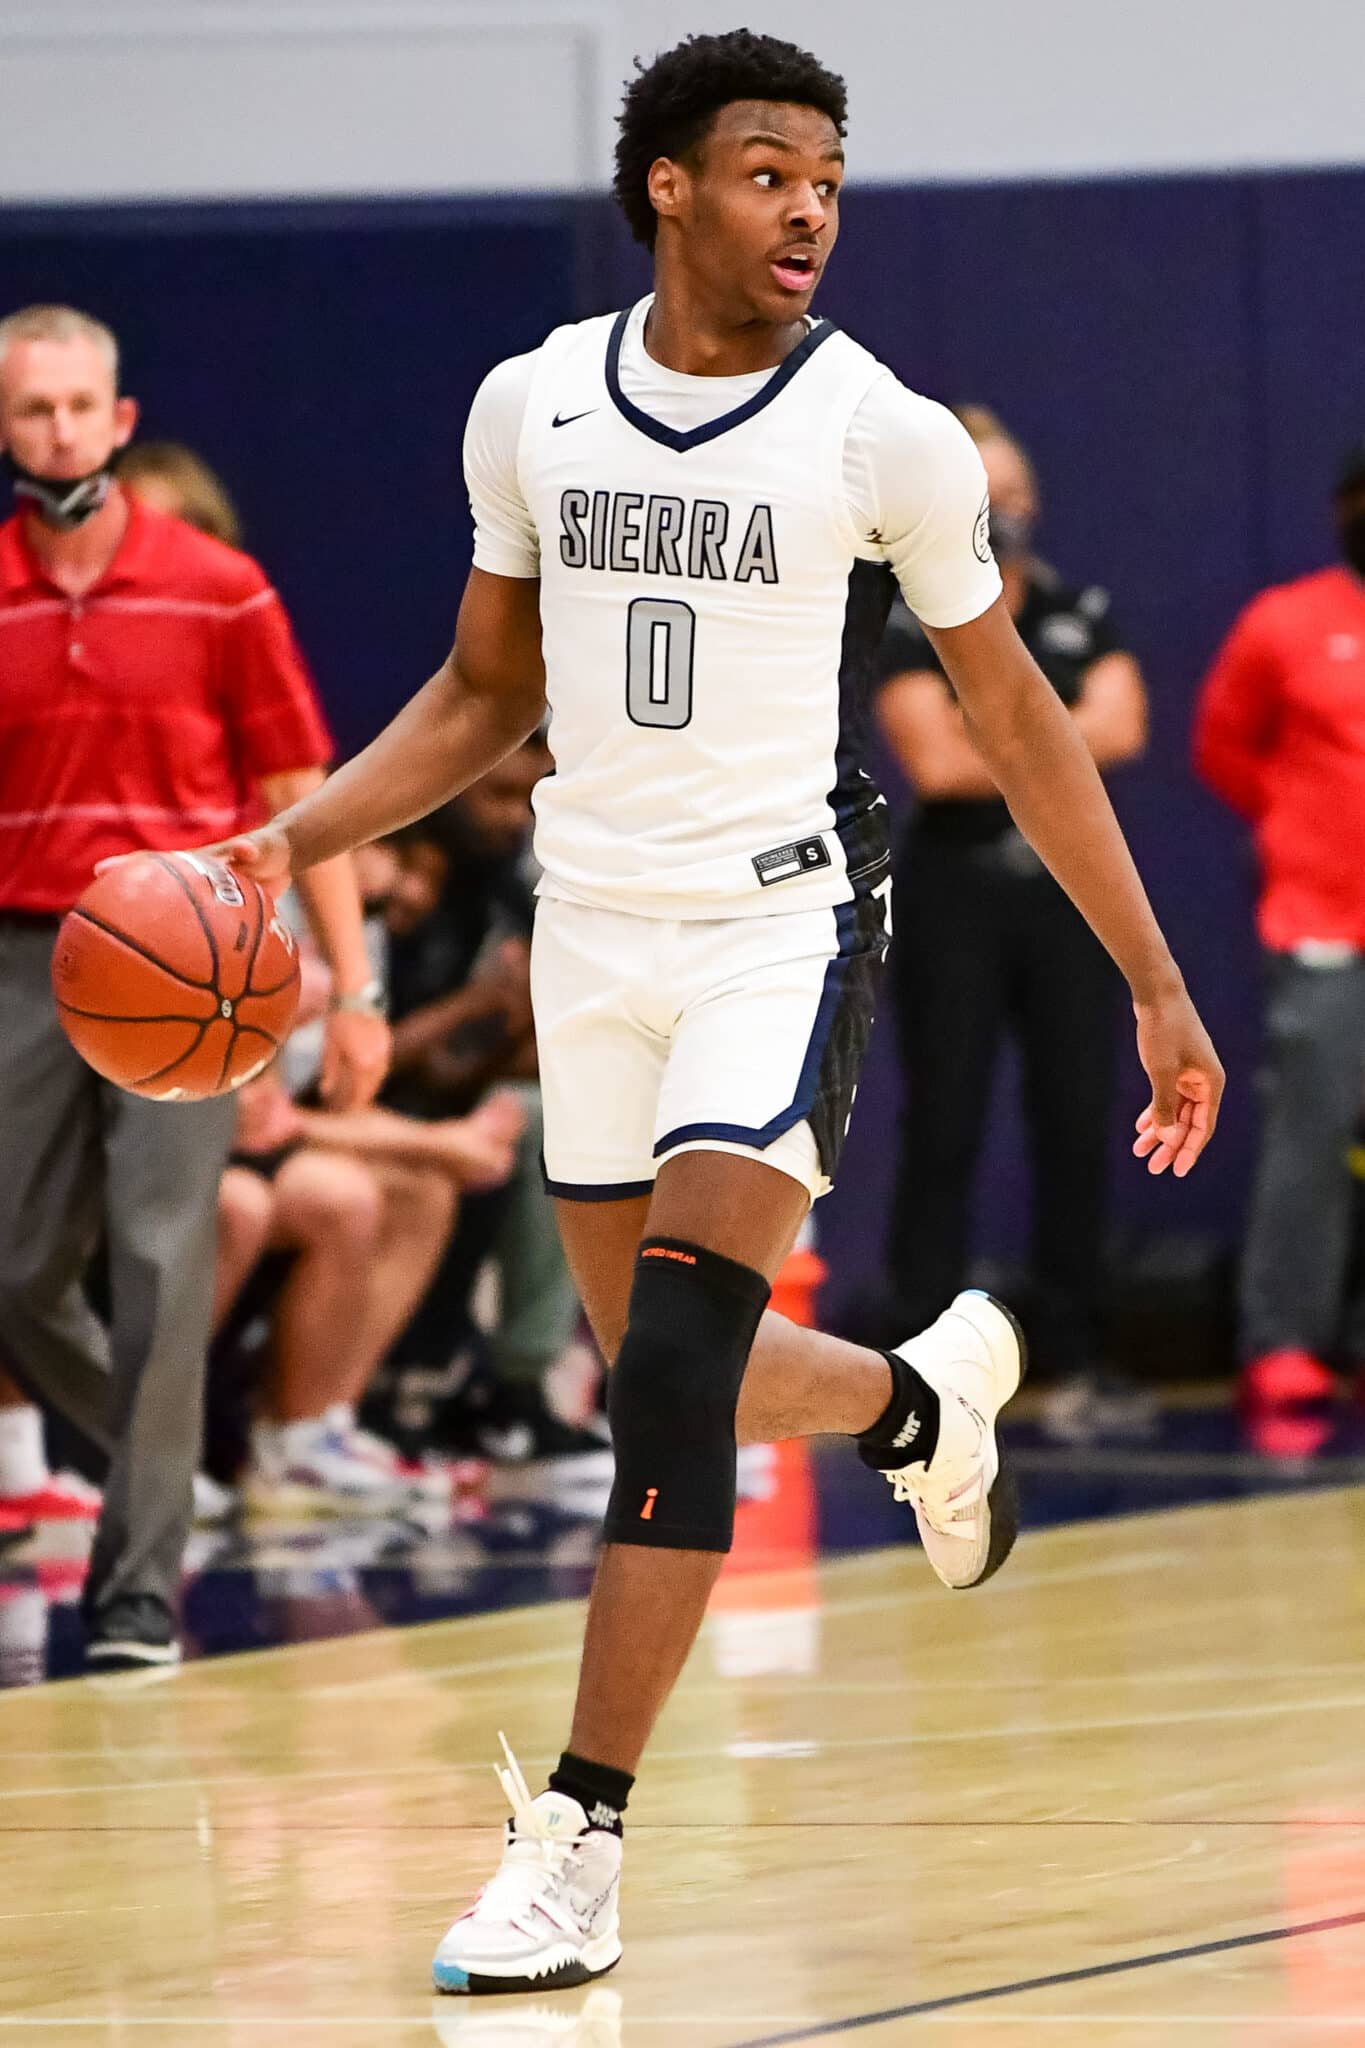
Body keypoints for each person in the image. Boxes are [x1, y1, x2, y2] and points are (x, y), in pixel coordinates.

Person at [171, 30, 1221, 1991]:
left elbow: (1013, 717)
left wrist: (1153, 974)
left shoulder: (877, 430)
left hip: (779, 923)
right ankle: (918, 1396)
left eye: (824, 175)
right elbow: (483, 695)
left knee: (663, 1378)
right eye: (762, 171)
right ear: (667, 183)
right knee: (681, 1364)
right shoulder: (534, 403)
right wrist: (286, 840)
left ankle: (574, 1837)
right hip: (591, 928)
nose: (804, 205)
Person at [0, 305, 389, 1670]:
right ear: (7, 427)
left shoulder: (219, 585)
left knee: (166, 1268)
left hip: (198, 961)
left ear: (118, 418)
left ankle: (135, 1601)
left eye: (79, 406)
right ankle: (160, 1447)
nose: (58, 430)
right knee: (11, 1266)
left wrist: (355, 989)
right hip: (23, 953)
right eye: (31, 408)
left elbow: (304, 796)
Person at [875, 405, 1150, 1434]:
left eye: (1022, 494)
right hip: (957, 891)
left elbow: (1125, 723)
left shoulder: (1082, 607)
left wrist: (1012, 741)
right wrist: (1053, 744)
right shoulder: (913, 620)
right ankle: (913, 1361)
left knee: (1078, 1117)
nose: (1013, 512)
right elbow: (936, 762)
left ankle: (1077, 1351)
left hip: (1066, 894)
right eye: (992, 498)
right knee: (944, 1118)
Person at [1194, 437, 1365, 1407]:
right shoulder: (1286, 622)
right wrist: (1304, 825)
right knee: (1311, 1133)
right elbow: (1224, 748)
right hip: (1322, 925)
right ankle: (1284, 1336)